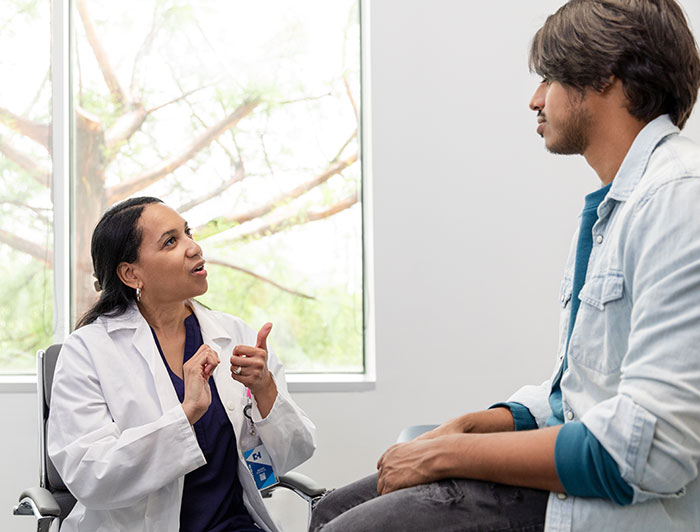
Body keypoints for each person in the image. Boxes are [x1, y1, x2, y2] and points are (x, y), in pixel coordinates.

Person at [310, 0, 700, 531]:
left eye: (551, 78)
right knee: (333, 508)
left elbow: (650, 450)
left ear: (606, 75)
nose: (535, 99)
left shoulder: (678, 201)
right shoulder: (619, 206)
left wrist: (444, 456)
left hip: (613, 509)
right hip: (577, 486)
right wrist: (482, 424)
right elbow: (579, 392)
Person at [48, 197, 316, 532]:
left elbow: (297, 451)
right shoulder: (87, 351)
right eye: (171, 241)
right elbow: (91, 477)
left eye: (187, 233)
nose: (193, 247)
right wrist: (186, 413)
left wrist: (265, 389)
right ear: (131, 274)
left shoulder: (236, 336)